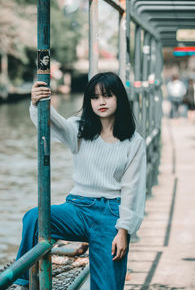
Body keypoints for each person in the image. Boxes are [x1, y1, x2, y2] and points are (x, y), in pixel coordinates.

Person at [13, 72, 146, 290]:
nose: (101, 102)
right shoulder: (79, 128)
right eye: (94, 97)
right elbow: (51, 125)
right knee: (34, 218)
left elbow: (134, 189)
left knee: (108, 286)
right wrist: (37, 102)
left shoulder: (134, 141)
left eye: (107, 95)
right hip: (78, 208)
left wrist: (124, 231)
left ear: (119, 98)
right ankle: (22, 282)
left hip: (110, 216)